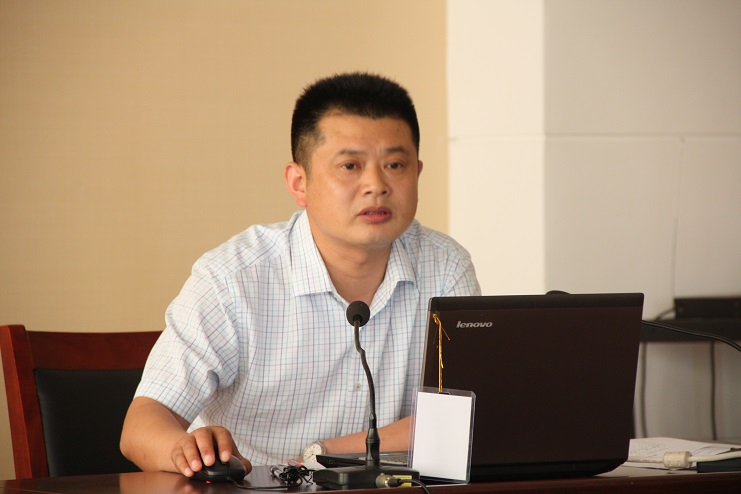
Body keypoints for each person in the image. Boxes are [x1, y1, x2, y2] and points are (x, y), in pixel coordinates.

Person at [120, 72, 480, 477]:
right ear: (299, 183)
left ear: (417, 172)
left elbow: (469, 419)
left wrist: (323, 452)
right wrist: (185, 449)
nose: (376, 185)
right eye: (350, 165)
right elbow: (142, 423)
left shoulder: (446, 268)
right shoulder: (234, 280)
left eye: (394, 165)